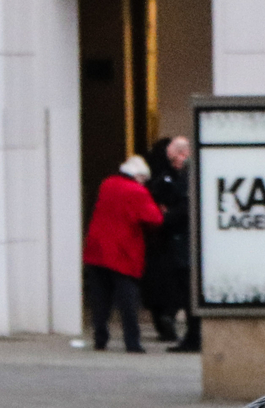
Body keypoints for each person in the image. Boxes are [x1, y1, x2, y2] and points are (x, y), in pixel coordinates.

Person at [83, 155, 166, 353]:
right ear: (138, 176)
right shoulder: (137, 191)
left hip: (97, 249)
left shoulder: (107, 184)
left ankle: (100, 338)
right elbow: (154, 219)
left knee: (100, 298)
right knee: (127, 301)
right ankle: (132, 341)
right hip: (123, 252)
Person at [153, 135, 199, 352]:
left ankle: (193, 337)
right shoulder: (184, 175)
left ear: (182, 154)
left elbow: (183, 209)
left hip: (185, 245)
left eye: (174, 160)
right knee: (185, 293)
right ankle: (192, 336)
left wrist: (167, 216)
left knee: (188, 293)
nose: (173, 165)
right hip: (184, 244)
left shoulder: (188, 177)